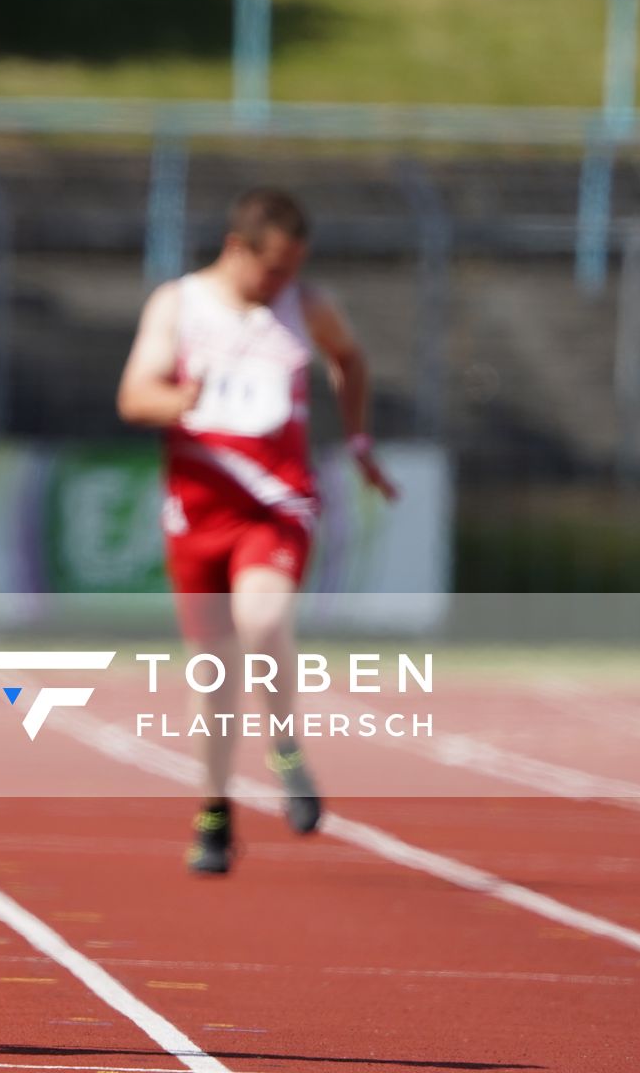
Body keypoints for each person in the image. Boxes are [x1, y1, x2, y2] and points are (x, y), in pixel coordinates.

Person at [116, 187, 395, 876]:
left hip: (278, 504)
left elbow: (351, 360)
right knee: (211, 673)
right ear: (237, 249)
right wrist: (180, 399)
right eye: (273, 269)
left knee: (263, 619)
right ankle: (215, 813)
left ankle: (284, 741)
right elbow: (134, 396)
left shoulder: (306, 306)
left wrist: (358, 442)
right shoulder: (179, 304)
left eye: (294, 269)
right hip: (200, 508)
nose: (283, 283)